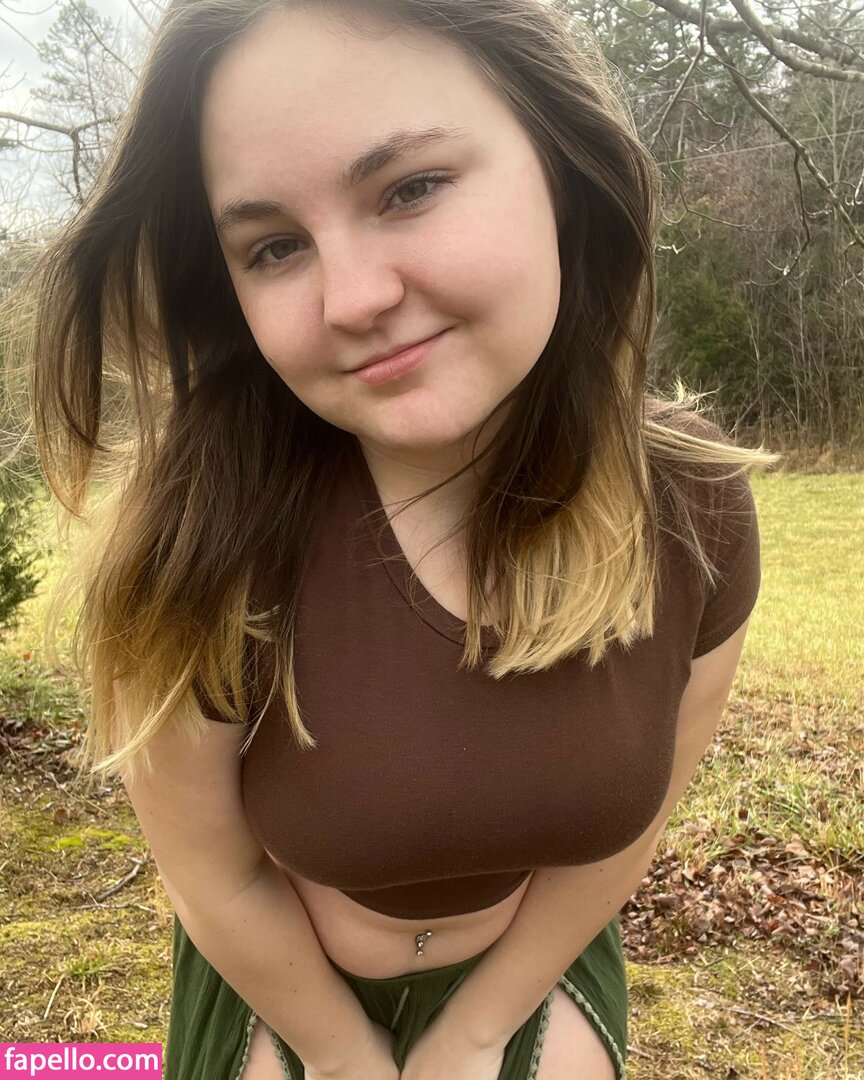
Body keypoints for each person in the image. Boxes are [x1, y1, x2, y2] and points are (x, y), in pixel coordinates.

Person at [14, 0, 780, 1076]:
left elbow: (632, 830)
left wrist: (482, 1031)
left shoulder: (695, 507)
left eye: (410, 188)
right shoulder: (198, 533)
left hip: (538, 970)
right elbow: (210, 875)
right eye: (275, 246)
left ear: (560, 162)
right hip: (280, 987)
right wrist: (341, 1057)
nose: (354, 300)